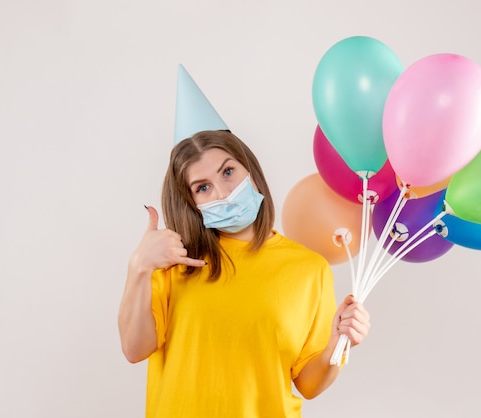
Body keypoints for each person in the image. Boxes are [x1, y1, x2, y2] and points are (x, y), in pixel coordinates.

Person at [118, 129, 371, 417]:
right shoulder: (174, 261)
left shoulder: (310, 269)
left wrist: (339, 342)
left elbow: (309, 384)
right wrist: (138, 266)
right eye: (203, 187)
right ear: (190, 203)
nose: (223, 193)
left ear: (249, 170)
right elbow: (134, 350)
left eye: (228, 172)